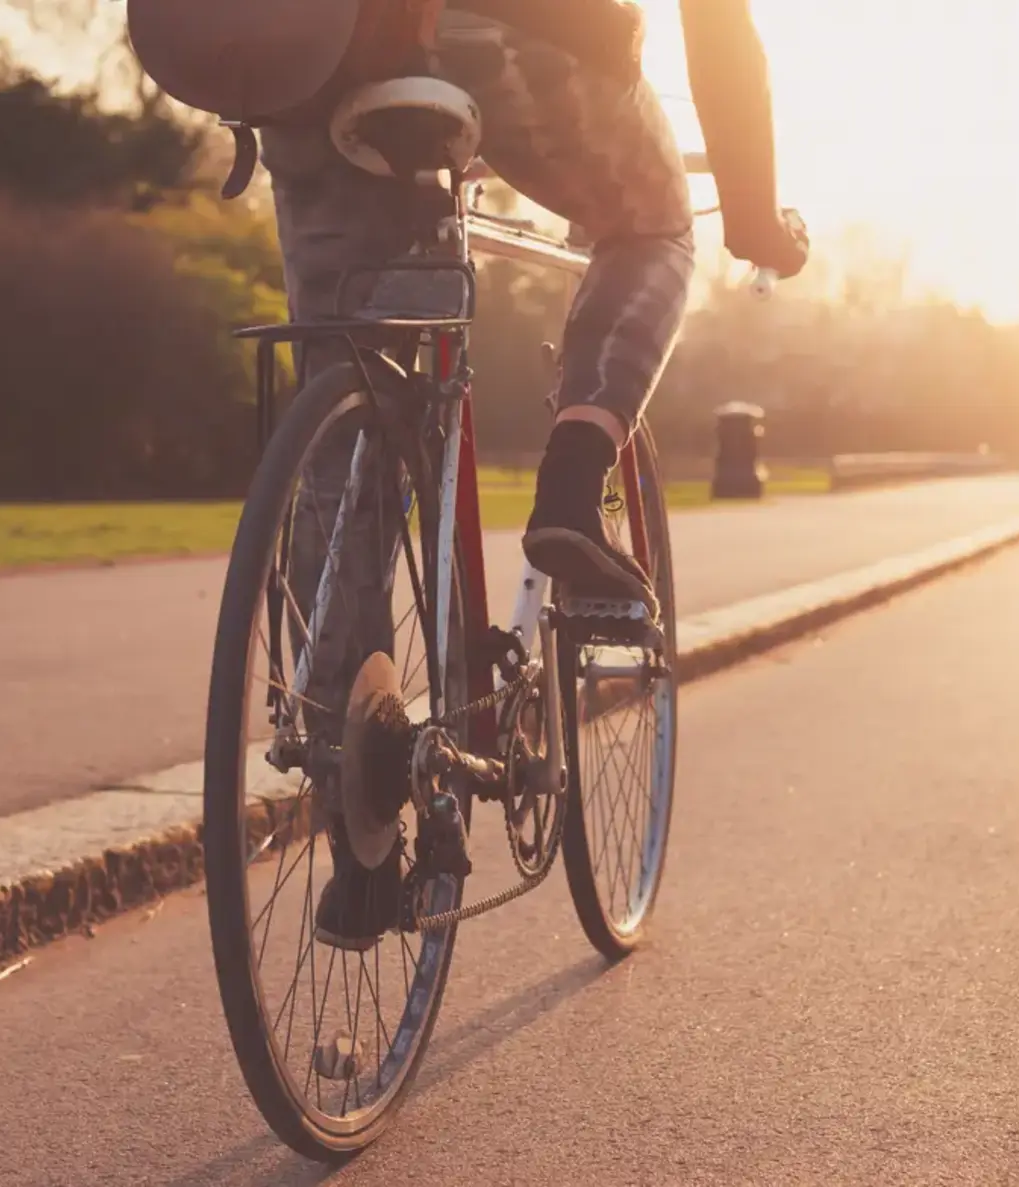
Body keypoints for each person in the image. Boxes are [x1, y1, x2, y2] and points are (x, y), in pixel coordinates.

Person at [129, 0, 807, 949]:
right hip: (503, 34)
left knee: (350, 391)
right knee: (652, 227)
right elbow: (720, 26)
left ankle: (360, 834)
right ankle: (576, 475)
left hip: (298, 55)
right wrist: (752, 215)